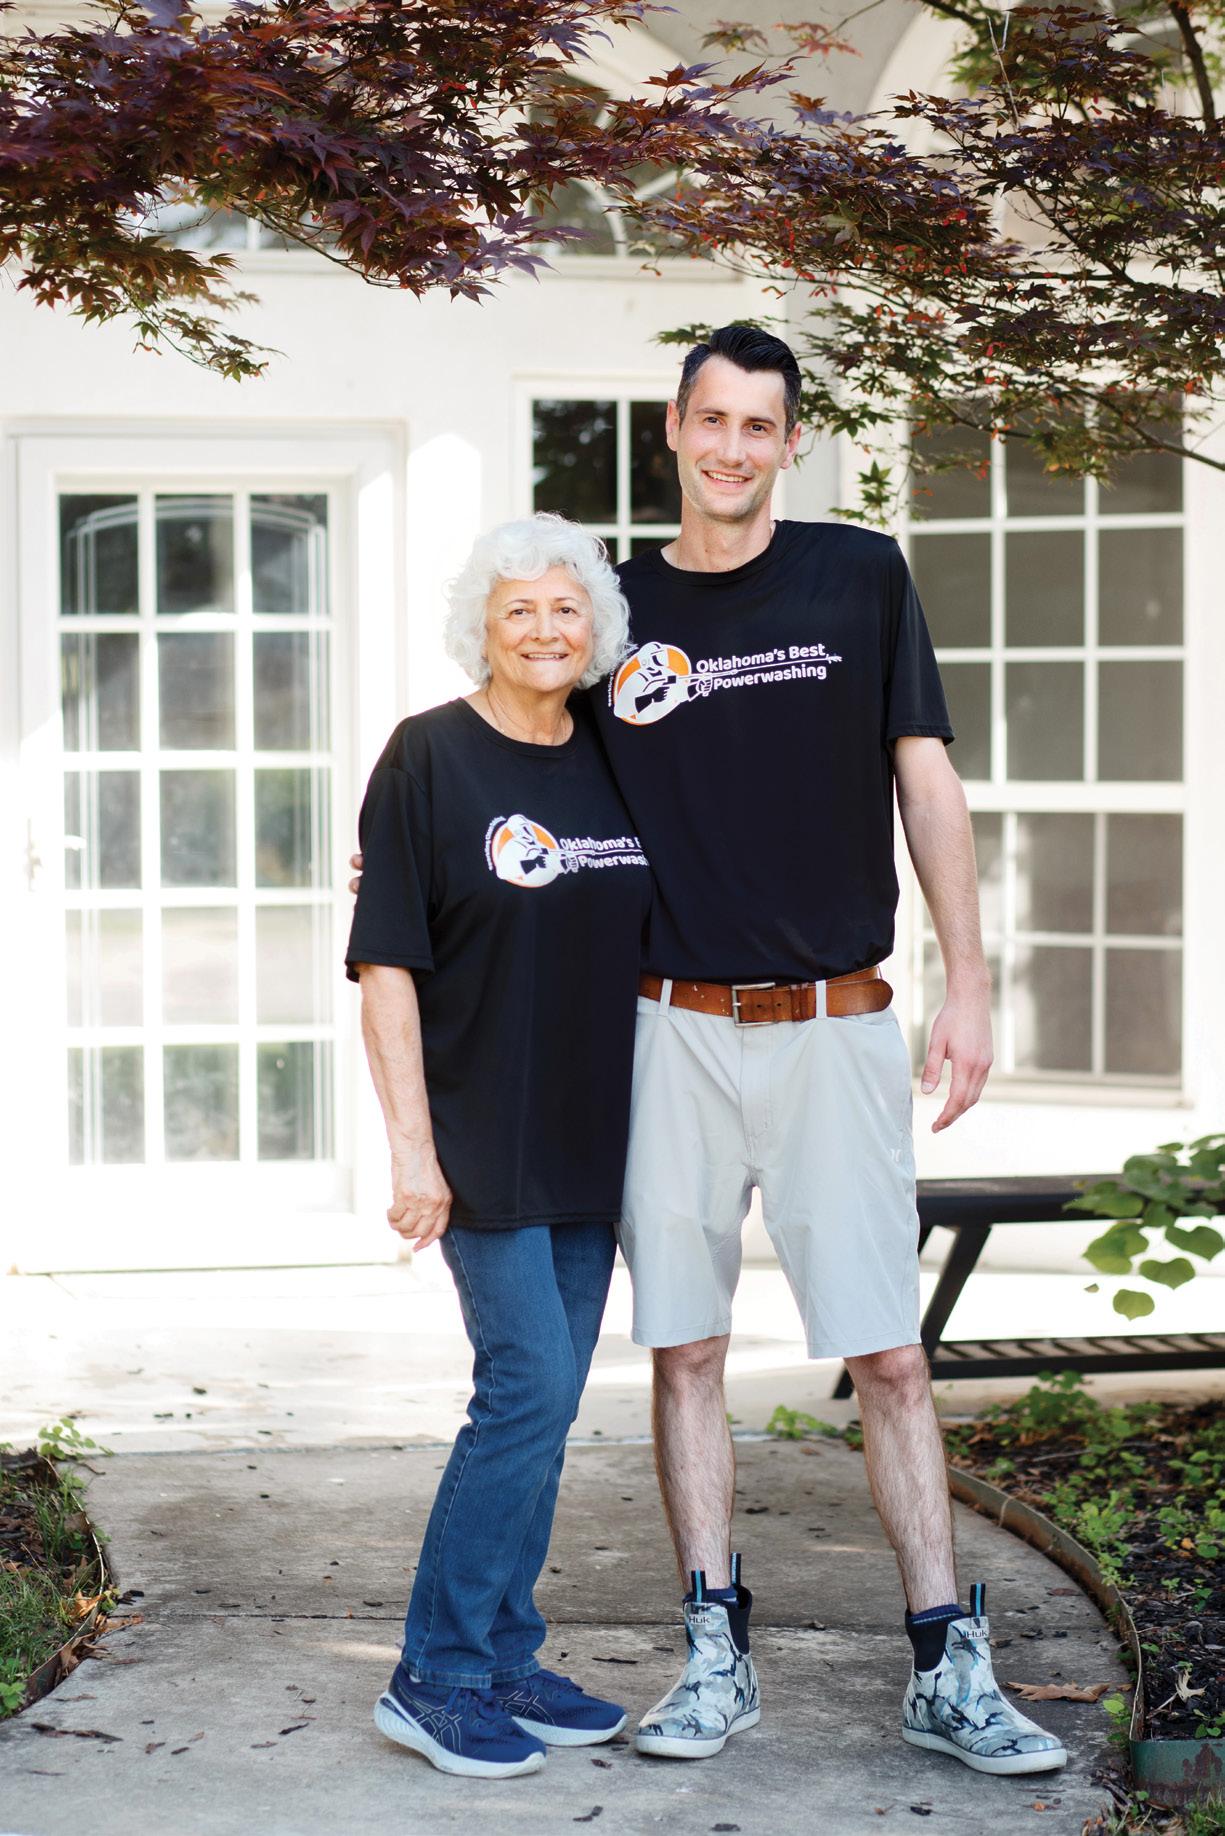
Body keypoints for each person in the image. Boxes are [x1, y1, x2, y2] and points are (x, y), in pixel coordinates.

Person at [587, 324, 1068, 1777]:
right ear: (674, 429)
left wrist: (968, 982)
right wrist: (411, 848)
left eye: (760, 425)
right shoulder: (610, 603)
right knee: (686, 1348)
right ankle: (713, 1652)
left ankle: (944, 1666)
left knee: (891, 1358)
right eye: (712, 420)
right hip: (667, 1027)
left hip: (837, 1024)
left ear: (791, 442)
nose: (733, 447)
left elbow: (926, 775)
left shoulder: (858, 576)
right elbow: (516, 755)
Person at [345, 514, 652, 1780]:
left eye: (567, 609)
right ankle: (435, 1674)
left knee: (553, 1401)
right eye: (518, 607)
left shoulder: (619, 757)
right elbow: (385, 966)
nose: (543, 629)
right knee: (523, 1388)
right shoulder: (427, 757)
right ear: (482, 624)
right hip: (481, 1133)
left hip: (595, 1133)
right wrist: (412, 1153)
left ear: (598, 631)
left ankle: (506, 1654)